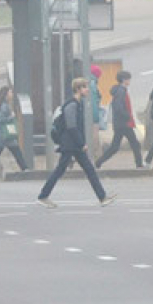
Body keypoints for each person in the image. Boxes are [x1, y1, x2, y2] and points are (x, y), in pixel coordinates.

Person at [38, 78, 116, 208]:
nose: (87, 90)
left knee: (88, 169)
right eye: (85, 87)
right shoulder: (72, 105)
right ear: (78, 89)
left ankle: (102, 197)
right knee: (61, 170)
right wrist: (81, 143)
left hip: (73, 144)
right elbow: (72, 127)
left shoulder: (78, 104)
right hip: (70, 144)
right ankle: (42, 196)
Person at [96, 70, 144, 169]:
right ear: (124, 80)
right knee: (135, 144)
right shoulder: (121, 91)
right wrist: (127, 116)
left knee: (115, 147)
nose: (129, 81)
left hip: (120, 123)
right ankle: (139, 164)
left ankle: (99, 162)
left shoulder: (119, 90)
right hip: (124, 123)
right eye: (128, 79)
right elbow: (118, 107)